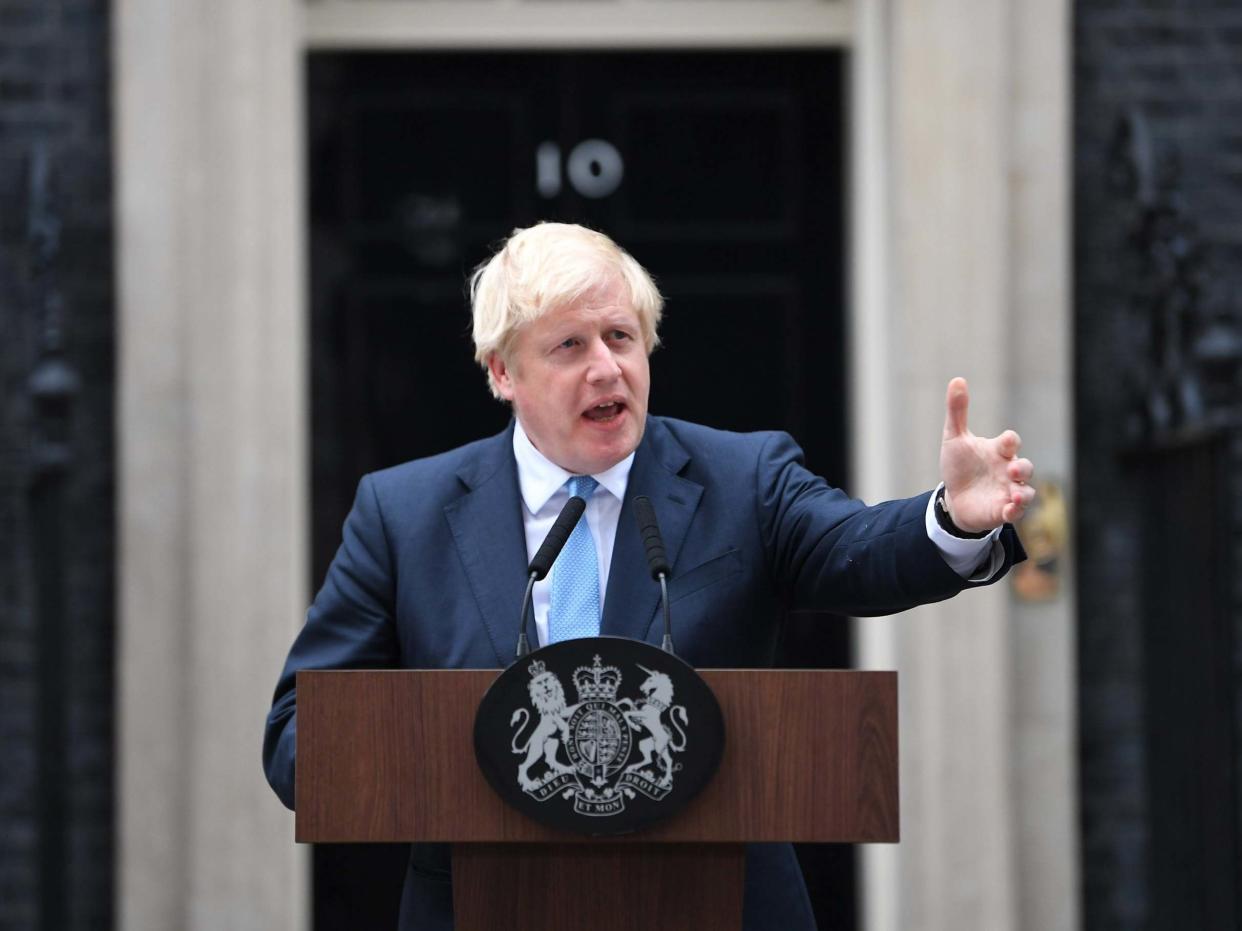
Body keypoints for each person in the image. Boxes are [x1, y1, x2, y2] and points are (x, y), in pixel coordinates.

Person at [264, 222, 1032, 930]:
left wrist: (953, 519)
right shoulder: (403, 514)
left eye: (621, 337)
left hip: (719, 904)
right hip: (483, 905)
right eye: (569, 345)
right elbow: (300, 735)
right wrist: (451, 760)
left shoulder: (744, 478)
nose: (608, 368)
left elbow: (857, 550)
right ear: (502, 371)